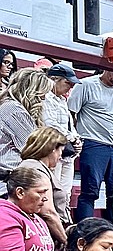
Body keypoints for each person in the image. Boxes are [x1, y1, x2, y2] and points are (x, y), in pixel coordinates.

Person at [67, 65, 113, 220]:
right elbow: (71, 113)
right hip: (93, 143)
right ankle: (84, 229)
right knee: (90, 191)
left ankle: (111, 231)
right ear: (107, 69)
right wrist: (74, 137)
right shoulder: (86, 85)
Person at [41, 61, 82, 218]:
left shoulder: (62, 100)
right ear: (54, 79)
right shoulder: (45, 97)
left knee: (65, 192)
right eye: (67, 83)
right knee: (54, 191)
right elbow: (49, 123)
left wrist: (76, 139)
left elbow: (70, 125)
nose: (70, 87)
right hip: (54, 150)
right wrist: (72, 138)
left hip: (67, 152)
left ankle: (63, 220)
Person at [16, 127, 69, 247]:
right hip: (44, 236)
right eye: (61, 151)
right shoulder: (36, 170)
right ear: (52, 149)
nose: (61, 156)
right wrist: (67, 243)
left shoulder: (35, 167)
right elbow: (48, 213)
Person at [0, 68, 52, 189]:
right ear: (32, 91)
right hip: (10, 180)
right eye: (42, 93)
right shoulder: (14, 109)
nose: (43, 98)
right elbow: (36, 149)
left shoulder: (10, 105)